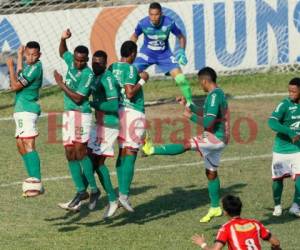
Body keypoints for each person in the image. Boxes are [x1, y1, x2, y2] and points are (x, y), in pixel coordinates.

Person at [143, 67, 229, 222]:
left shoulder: (215, 96)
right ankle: (215, 207)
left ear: (204, 81)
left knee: (186, 144)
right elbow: (205, 111)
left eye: (199, 82)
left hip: (216, 137)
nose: (199, 86)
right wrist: (188, 106)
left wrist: (191, 117)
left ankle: (151, 149)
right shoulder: (215, 94)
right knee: (211, 172)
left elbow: (209, 121)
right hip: (218, 138)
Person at [54, 29, 99, 211]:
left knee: (81, 151)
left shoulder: (88, 74)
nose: (79, 63)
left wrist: (61, 84)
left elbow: (79, 99)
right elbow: (62, 52)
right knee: (69, 153)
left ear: (87, 60)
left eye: (82, 60)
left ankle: (94, 189)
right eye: (77, 59)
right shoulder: (70, 61)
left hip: (82, 114)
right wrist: (62, 38)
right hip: (69, 114)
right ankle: (81, 190)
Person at [109, 40, 149, 212]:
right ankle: (124, 196)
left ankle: (120, 193)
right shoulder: (131, 69)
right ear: (132, 53)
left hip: (118, 112)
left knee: (122, 152)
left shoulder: (112, 67)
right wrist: (143, 80)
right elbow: (130, 93)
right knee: (131, 153)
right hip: (132, 112)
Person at [130, 2, 192, 104]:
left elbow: (181, 37)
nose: (153, 18)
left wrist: (182, 51)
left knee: (181, 80)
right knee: (130, 73)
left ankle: (190, 104)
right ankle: (126, 99)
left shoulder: (169, 23)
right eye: (151, 14)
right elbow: (134, 36)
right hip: (146, 54)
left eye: (156, 14)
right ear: (148, 14)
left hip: (165, 55)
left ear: (161, 14)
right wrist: (130, 49)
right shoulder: (143, 23)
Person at [6, 41, 44, 197]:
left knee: (28, 144)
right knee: (20, 145)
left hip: (27, 110)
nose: (31, 57)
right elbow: (20, 73)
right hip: (21, 110)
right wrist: (19, 57)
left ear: (39, 55)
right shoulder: (29, 66)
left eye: (34, 55)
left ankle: (36, 181)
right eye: (28, 54)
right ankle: (32, 178)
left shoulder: (35, 68)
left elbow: (14, 86)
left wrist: (9, 67)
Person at [87, 50, 119, 218]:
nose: (96, 65)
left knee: (97, 163)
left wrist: (93, 103)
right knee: (88, 160)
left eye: (99, 63)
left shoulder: (108, 78)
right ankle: (93, 192)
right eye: (94, 62)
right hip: (98, 124)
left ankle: (112, 199)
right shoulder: (94, 77)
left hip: (109, 125)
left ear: (105, 64)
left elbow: (114, 106)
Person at [191, 195, 281, 250]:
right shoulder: (255, 224)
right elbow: (276, 242)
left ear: (225, 212)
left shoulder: (226, 228)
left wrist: (202, 244)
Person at [268, 77, 300, 217]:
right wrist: (289, 131)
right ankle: (277, 205)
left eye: (294, 91)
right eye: (289, 91)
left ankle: (295, 205)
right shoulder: (284, 104)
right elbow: (272, 122)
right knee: (278, 180)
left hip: (297, 150)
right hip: (281, 150)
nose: (290, 94)